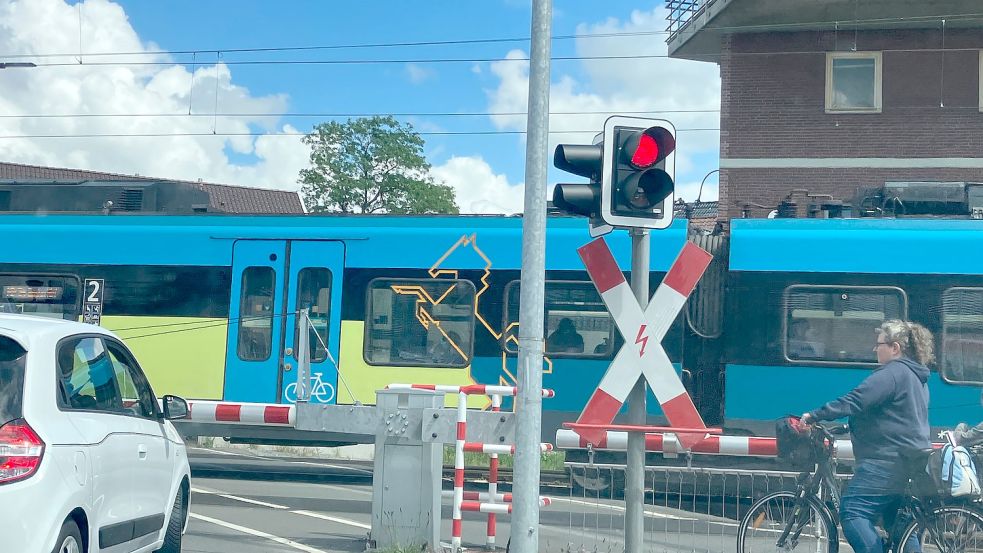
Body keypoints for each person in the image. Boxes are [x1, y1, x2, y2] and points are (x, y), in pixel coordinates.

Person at [800, 319, 934, 553]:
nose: (875, 349)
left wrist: (815, 415)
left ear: (895, 348)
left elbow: (855, 400)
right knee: (898, 524)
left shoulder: (893, 373)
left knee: (853, 512)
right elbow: (891, 416)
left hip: (885, 461)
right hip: (907, 459)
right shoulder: (915, 377)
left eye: (879, 344)